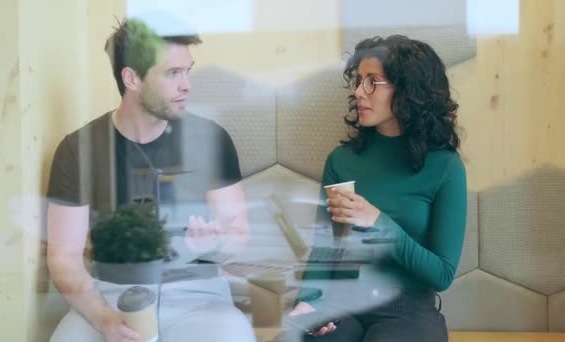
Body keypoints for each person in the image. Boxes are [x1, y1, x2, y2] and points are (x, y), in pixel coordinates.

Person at [46, 16, 255, 342]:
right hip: (109, 295)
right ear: (131, 78)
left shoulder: (211, 139)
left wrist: (215, 244)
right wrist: (105, 321)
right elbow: (63, 258)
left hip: (197, 295)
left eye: (188, 70)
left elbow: (239, 234)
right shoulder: (78, 150)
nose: (187, 84)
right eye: (173, 73)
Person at [288, 35, 467, 342]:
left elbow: (442, 274)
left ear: (408, 90)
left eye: (373, 81)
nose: (359, 92)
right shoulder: (342, 161)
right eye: (358, 81)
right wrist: (308, 301)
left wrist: (377, 222)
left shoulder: (445, 167)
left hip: (408, 311)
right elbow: (325, 249)